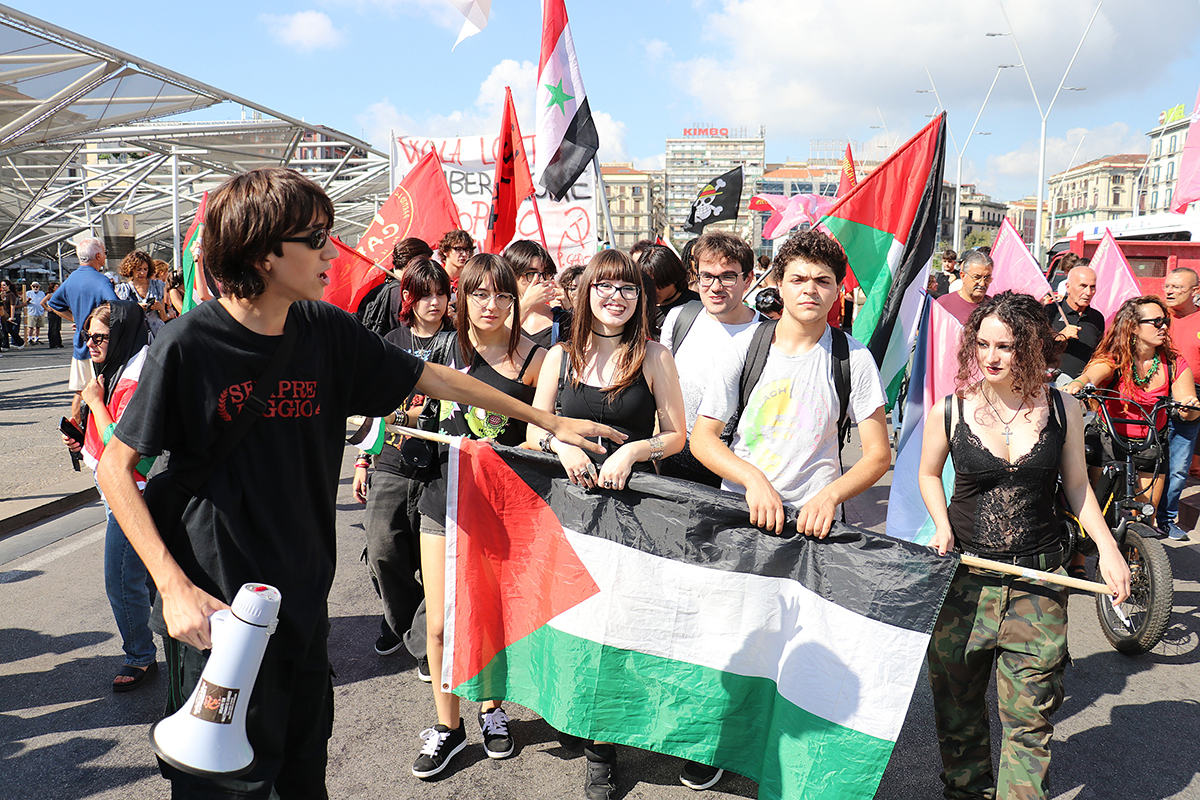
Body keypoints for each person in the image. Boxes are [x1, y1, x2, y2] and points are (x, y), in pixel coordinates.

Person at [95, 167, 620, 798]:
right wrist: (172, 586)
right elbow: (115, 467)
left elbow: (439, 380)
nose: (330, 251)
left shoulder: (324, 330)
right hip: (216, 614)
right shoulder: (189, 344)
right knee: (217, 785)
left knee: (300, 774)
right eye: (314, 237)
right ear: (264, 255)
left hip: (303, 602)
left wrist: (545, 416)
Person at [918, 291, 1131, 800]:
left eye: (1006, 347)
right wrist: (941, 523)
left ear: (1032, 349)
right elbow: (928, 474)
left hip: (1039, 580)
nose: (990, 357)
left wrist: (1108, 549)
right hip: (964, 579)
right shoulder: (950, 411)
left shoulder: (1064, 409)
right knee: (958, 713)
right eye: (983, 344)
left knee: (1030, 720)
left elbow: (1077, 489)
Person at [525, 248, 686, 800]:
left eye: (628, 289)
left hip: (630, 515)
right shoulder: (558, 357)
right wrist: (557, 442)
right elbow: (531, 431)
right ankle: (578, 718)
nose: (615, 298)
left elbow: (676, 436)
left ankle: (602, 752)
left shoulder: (655, 356)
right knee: (572, 624)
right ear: (585, 293)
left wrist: (636, 450)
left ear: (641, 298)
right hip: (568, 512)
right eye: (604, 287)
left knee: (618, 630)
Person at [411, 253, 559, 780]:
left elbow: (544, 430)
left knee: (493, 618)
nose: (490, 305)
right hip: (443, 501)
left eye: (500, 294)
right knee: (439, 623)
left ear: (515, 300)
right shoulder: (443, 353)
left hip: (505, 509)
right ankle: (446, 728)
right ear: (462, 299)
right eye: (478, 294)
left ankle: (492, 711)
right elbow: (403, 409)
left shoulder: (538, 360)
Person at [352, 258, 453, 666]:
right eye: (424, 294)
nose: (434, 302)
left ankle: (427, 644)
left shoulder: (459, 341)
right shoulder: (389, 341)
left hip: (442, 466)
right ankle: (414, 632)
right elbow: (372, 408)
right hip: (392, 461)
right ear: (407, 297)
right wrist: (362, 460)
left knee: (438, 563)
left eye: (441, 293)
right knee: (382, 551)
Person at [63, 301, 159, 691]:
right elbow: (102, 436)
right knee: (148, 573)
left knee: (121, 579)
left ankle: (140, 655)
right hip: (117, 487)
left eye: (99, 337)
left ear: (120, 335)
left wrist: (96, 404)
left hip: (133, 491)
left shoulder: (138, 377)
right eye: (87, 337)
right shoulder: (118, 367)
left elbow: (125, 445)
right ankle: (182, 637)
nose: (90, 345)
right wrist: (78, 436)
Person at [1065, 295, 1200, 530]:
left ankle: (1138, 562)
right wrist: (1080, 382)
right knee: (1096, 514)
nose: (1164, 327)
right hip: (1109, 442)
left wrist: (1190, 408)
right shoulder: (1116, 358)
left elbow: (1188, 411)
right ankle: (1078, 565)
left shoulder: (1174, 363)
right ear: (1134, 327)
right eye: (1156, 322)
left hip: (1151, 445)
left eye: (1165, 320)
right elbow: (1095, 372)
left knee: (1145, 516)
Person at [659, 229, 761, 488]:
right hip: (676, 466)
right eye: (707, 276)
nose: (715, 287)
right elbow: (661, 391)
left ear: (747, 279)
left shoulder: (767, 333)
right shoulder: (679, 319)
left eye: (727, 277)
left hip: (739, 472)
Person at [48, 238, 118, 421]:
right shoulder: (101, 280)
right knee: (101, 389)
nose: (105, 256)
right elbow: (115, 307)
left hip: (80, 343)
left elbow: (54, 302)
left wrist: (78, 320)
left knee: (80, 391)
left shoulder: (72, 279)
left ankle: (74, 431)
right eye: (104, 252)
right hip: (100, 345)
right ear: (97, 256)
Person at [1161, 267, 1200, 539]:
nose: (1170, 291)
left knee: (1178, 467)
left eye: (1178, 287)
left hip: (1191, 400)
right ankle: (1140, 517)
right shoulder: (1157, 318)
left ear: (1195, 292)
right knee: (1148, 462)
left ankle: (1166, 519)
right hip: (1156, 396)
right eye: (1168, 286)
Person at [507, 239, 571, 348]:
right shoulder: (498, 314)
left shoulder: (561, 319)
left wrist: (570, 309)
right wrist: (527, 305)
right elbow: (494, 344)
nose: (540, 280)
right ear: (513, 276)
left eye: (545, 273)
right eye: (531, 274)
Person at [1048, 265, 1103, 383]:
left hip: (1083, 388)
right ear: (1068, 287)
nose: (1088, 292)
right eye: (1083, 286)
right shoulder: (1050, 312)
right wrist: (1059, 337)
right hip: (1051, 386)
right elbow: (1033, 348)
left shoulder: (1097, 318)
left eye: (1092, 287)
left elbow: (1099, 355)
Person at [638, 244, 700, 334]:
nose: (652, 289)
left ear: (671, 276)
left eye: (657, 283)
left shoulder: (696, 305)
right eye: (646, 283)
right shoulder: (639, 305)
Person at [114, 250, 168, 337]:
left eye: (145, 269)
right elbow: (120, 317)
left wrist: (160, 308)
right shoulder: (122, 290)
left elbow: (164, 318)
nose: (142, 273)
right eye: (138, 269)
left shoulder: (158, 286)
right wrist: (136, 308)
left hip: (157, 335)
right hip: (134, 336)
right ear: (131, 269)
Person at [936, 250, 992, 325]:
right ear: (963, 276)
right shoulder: (942, 305)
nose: (982, 283)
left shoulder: (994, 307)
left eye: (987, 278)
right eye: (977, 277)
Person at [0, 279, 25, 349]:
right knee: (3, 330)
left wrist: (12, 316)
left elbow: (12, 306)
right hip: (3, 314)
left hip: (8, 314)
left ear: (8, 286)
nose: (3, 287)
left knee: (9, 329)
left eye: (4, 285)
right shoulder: (2, 294)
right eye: (2, 285)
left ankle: (20, 342)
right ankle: (5, 345)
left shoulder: (11, 294)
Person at [25, 281, 46, 345]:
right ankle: (30, 338)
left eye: (37, 286)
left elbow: (44, 301)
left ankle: (36, 338)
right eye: (34, 286)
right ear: (31, 287)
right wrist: (28, 300)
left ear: (39, 287)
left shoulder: (42, 293)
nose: (35, 288)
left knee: (38, 326)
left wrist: (45, 308)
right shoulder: (28, 293)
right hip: (31, 312)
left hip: (40, 311)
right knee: (31, 326)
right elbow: (24, 302)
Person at [46, 280, 64, 348]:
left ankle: (58, 342)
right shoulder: (50, 295)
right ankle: (53, 343)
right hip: (52, 313)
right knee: (53, 328)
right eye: (56, 286)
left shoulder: (59, 294)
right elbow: (42, 302)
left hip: (58, 312)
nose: (58, 287)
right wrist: (47, 308)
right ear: (53, 288)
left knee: (58, 327)